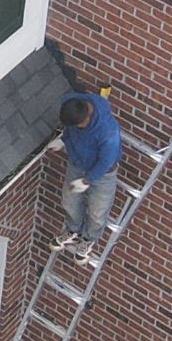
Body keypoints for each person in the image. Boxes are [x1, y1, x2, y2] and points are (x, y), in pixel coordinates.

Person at [57, 90, 125, 245]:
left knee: (97, 212)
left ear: (88, 117)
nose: (78, 127)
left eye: (79, 125)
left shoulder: (108, 132)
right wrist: (64, 141)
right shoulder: (73, 105)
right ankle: (72, 230)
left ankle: (89, 239)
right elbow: (70, 129)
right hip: (77, 164)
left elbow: (106, 161)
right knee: (69, 202)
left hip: (102, 174)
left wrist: (88, 180)